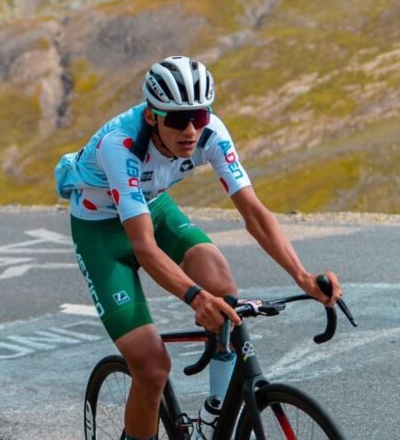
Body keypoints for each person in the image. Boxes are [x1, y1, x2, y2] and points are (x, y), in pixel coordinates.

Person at [54, 55, 342, 440]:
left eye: (199, 116)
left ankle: (216, 413)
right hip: (101, 232)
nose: (190, 129)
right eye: (177, 119)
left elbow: (254, 213)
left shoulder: (212, 133)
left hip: (151, 206)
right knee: (152, 366)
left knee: (220, 283)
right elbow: (143, 247)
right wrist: (195, 298)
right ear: (153, 116)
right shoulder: (119, 145)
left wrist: (303, 276)